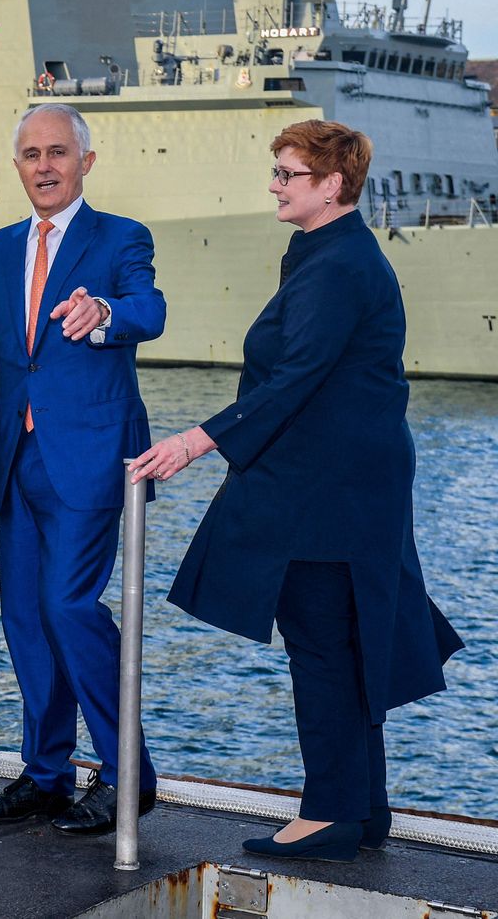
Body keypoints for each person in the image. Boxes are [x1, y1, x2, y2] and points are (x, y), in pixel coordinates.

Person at [130, 119, 463, 862]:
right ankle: (362, 807)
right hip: (344, 486)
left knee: (320, 644)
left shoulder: (338, 265)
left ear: (332, 184)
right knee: (344, 643)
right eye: (277, 171)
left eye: (288, 174)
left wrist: (194, 439)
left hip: (328, 495)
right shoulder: (328, 253)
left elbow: (296, 375)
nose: (275, 184)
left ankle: (331, 812)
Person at [0, 103, 164, 835]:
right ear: (15, 167)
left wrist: (106, 312)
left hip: (88, 459)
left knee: (68, 607)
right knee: (23, 619)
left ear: (86, 160)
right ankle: (47, 771)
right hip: (16, 462)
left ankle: (126, 773)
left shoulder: (121, 236)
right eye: (30, 154)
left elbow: (150, 307)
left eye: (58, 152)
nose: (44, 165)